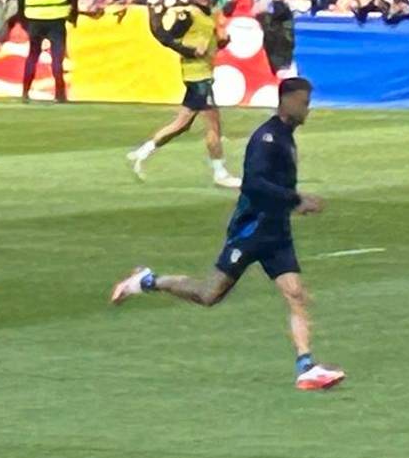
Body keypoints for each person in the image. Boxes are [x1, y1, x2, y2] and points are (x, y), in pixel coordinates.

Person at [110, 77, 345, 390]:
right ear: (286, 101)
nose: (307, 108)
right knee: (209, 294)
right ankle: (147, 281)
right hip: (250, 231)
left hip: (276, 232)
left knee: (296, 294)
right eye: (303, 102)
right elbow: (255, 185)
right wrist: (296, 200)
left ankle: (306, 366)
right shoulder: (267, 139)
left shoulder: (286, 136)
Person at [127, 0, 241, 188]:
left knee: (182, 124)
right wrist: (189, 51)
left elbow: (208, 41)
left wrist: (222, 43)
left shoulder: (209, 14)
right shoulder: (188, 14)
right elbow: (164, 36)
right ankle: (220, 172)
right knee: (213, 125)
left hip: (203, 74)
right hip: (197, 76)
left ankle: (142, 152)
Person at [18, 0, 74, 103]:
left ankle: (25, 91)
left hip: (35, 18)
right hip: (56, 17)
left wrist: (23, 19)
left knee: (33, 56)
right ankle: (60, 94)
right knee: (57, 58)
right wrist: (72, 12)